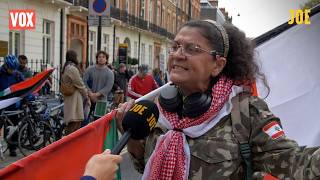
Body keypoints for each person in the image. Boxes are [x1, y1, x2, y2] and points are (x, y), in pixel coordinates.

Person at [115, 20, 320, 179]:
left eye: (192, 49)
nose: (178, 54)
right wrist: (131, 138)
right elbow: (146, 167)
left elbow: (297, 163)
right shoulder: (157, 108)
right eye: (176, 46)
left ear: (218, 65)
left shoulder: (245, 112)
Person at [0, 55, 24, 156]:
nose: (12, 71)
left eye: (13, 69)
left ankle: (12, 148)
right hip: (2, 103)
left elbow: (24, 86)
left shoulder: (17, 75)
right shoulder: (0, 74)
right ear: (5, 66)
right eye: (10, 69)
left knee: (13, 126)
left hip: (14, 104)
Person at [61, 50, 89, 135]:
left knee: (73, 123)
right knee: (74, 124)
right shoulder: (72, 68)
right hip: (74, 99)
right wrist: (87, 96)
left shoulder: (66, 67)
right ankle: (69, 145)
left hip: (70, 98)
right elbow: (80, 83)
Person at [83, 51, 114, 118]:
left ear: (106, 59)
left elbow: (108, 87)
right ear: (97, 59)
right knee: (85, 120)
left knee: (98, 121)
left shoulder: (110, 73)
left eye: (103, 57)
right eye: (99, 57)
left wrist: (96, 95)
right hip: (88, 100)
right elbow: (84, 82)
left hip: (101, 101)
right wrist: (90, 94)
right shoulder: (89, 70)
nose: (101, 58)